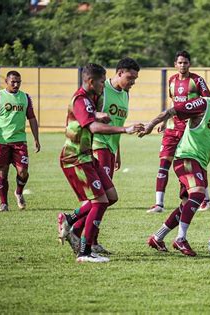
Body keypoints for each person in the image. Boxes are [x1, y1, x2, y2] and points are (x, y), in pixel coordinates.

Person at [141, 79, 210, 256]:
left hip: (201, 163)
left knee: (187, 204)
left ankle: (157, 237)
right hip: (186, 157)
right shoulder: (203, 104)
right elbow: (172, 110)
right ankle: (180, 239)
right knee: (198, 194)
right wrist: (151, 125)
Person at [57, 63, 143, 263]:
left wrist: (99, 116)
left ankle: (70, 220)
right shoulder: (80, 98)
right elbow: (93, 127)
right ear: (90, 81)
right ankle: (85, 252)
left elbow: (90, 115)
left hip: (88, 157)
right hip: (75, 157)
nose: (104, 85)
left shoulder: (92, 97)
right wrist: (125, 130)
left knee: (110, 197)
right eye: (102, 82)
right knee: (99, 201)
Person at [148, 50, 210, 214]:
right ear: (175, 64)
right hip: (172, 128)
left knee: (193, 163)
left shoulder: (197, 80)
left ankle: (205, 199)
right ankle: (159, 204)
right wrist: (163, 121)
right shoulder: (171, 81)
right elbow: (174, 103)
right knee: (164, 163)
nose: (182, 65)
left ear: (189, 64)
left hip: (190, 129)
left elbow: (208, 102)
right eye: (180, 62)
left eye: (185, 62)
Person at [0, 70, 40, 212]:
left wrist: (36, 139)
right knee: (3, 171)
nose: (16, 84)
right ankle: (4, 204)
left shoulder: (25, 97)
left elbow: (32, 118)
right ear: (6, 82)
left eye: (18, 82)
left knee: (23, 171)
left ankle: (19, 192)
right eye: (13, 82)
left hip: (20, 141)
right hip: (1, 141)